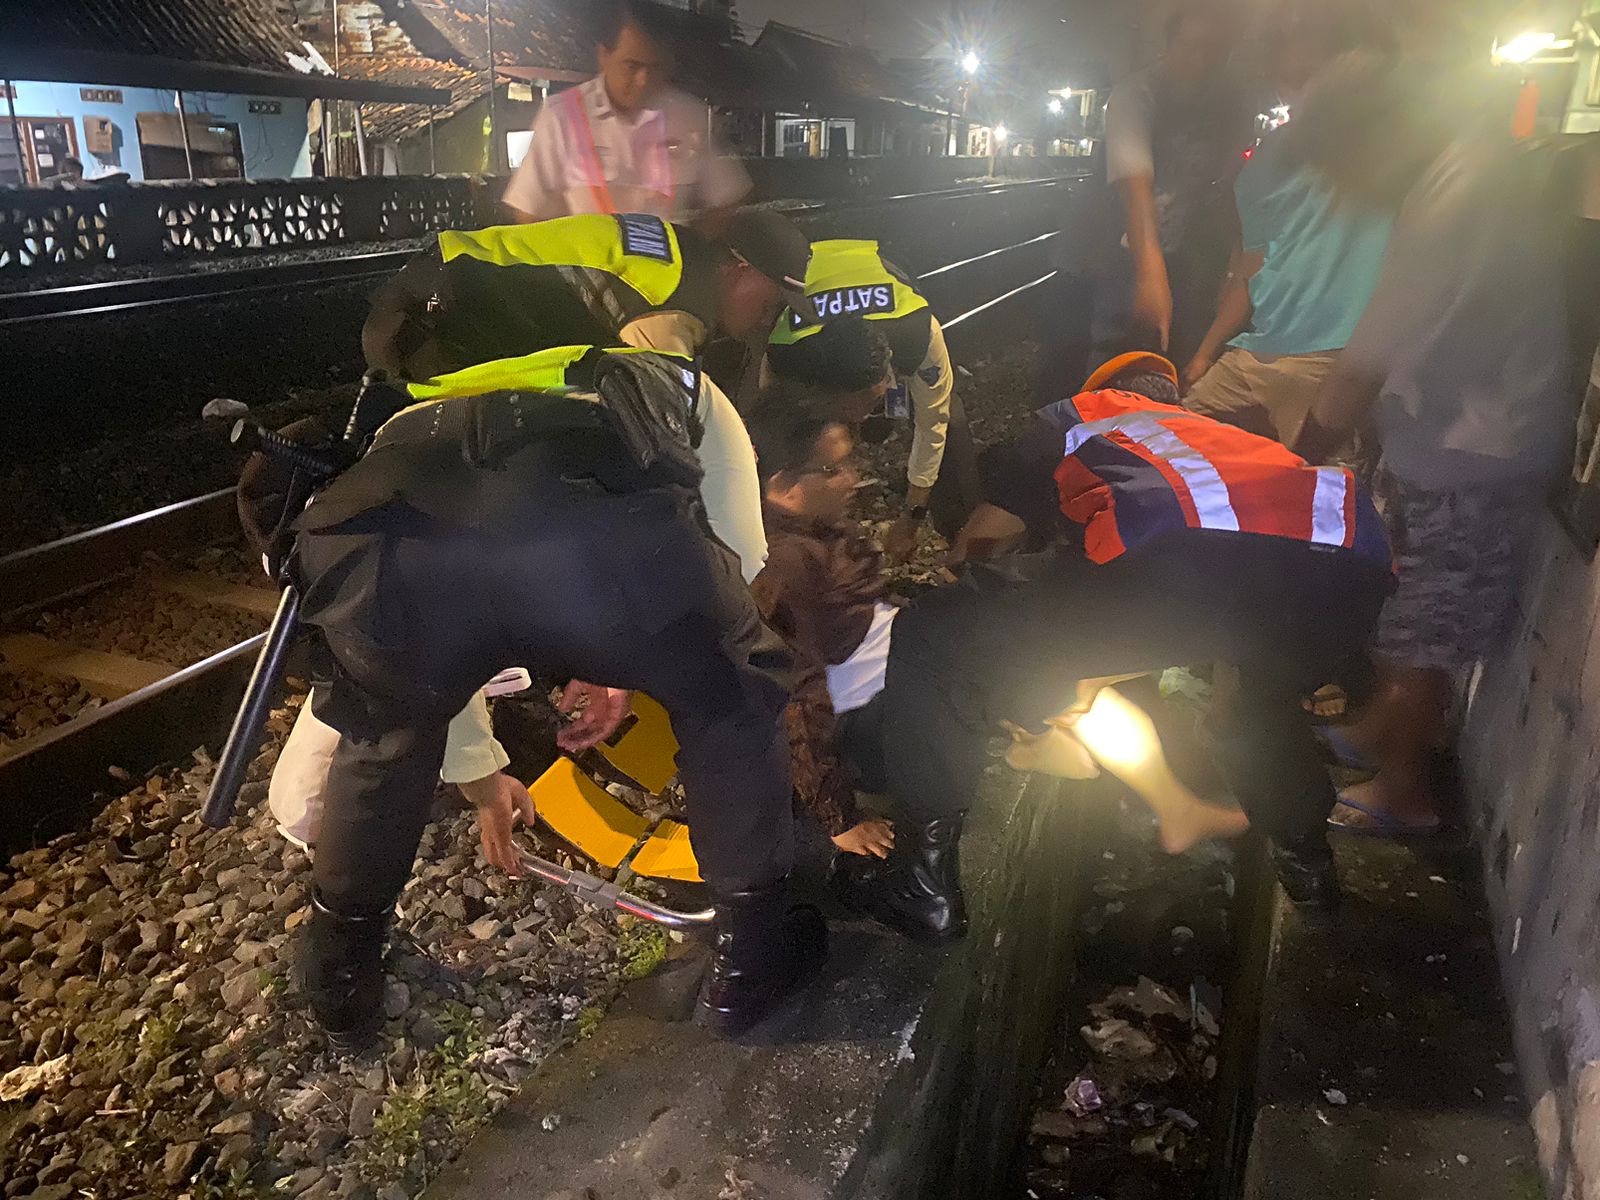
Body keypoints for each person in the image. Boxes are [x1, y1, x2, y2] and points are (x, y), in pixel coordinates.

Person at [288, 346, 825, 1049]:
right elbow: (733, 567)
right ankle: (748, 964)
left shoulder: (416, 395)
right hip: (586, 533)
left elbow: (442, 662)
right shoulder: (673, 376)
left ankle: (339, 976)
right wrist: (626, 658)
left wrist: (479, 768)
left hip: (389, 536)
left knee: (384, 732)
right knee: (731, 693)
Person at [273, 209, 809, 851]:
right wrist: (621, 657)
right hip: (450, 333)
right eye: (774, 299)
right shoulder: (674, 303)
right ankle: (312, 809)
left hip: (436, 324)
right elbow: (654, 474)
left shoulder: (663, 255)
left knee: (439, 589)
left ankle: (324, 822)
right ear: (739, 268)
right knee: (459, 584)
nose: (769, 318)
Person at [832, 352, 1394, 941]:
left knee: (936, 634)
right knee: (1250, 714)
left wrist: (991, 642)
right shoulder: (1213, 437)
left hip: (1193, 561)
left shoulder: (1079, 416)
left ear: (1105, 388)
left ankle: (921, 885)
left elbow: (984, 543)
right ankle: (1309, 868)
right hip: (1348, 570)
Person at [746, 391, 1249, 881]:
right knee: (1028, 664)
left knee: (1041, 658)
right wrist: (839, 819)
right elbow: (795, 694)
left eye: (850, 462)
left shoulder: (811, 529)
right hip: (873, 720)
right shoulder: (784, 562)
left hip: (891, 664)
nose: (855, 479)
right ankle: (1065, 750)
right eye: (833, 470)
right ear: (781, 484)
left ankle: (1163, 801)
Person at [1285, 53, 1575, 833]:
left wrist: (1296, 462)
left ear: (1375, 137)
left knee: (1421, 635)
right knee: (1403, 614)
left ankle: (1405, 789)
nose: (1342, 189)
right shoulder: (1456, 174)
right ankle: (1382, 733)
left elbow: (1364, 363)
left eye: (1339, 167)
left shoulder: (1456, 193)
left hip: (1474, 457)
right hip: (1444, 442)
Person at [1181, 11, 1392, 452]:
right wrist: (1205, 354)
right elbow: (1250, 271)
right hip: (1259, 352)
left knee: (1326, 493)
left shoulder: (1390, 155)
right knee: (1177, 442)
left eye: (1311, 75)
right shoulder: (1264, 163)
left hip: (1338, 361)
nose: (1297, 90)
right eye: (1289, 78)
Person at [767, 262, 984, 555]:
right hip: (815, 332)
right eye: (848, 407)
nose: (861, 415)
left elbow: (933, 423)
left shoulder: (919, 336)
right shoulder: (786, 355)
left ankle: (963, 538)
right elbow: (773, 438)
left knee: (952, 425)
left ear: (890, 371)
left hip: (886, 295)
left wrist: (913, 515)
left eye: (870, 402)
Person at [502, 0, 750, 224]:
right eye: (632, 65)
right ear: (604, 56)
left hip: (669, 268)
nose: (644, 80)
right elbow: (529, 213)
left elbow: (727, 198)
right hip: (593, 269)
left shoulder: (690, 116)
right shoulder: (561, 117)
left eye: (656, 67)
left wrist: (697, 249)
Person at [1102, 0, 1256, 361]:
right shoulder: (1135, 94)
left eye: (1213, 51)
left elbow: (1233, 189)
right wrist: (1150, 276)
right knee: (1116, 362)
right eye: (1191, 47)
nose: (1201, 60)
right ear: (1170, 44)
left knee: (1178, 364)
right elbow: (1135, 186)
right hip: (1128, 253)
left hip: (1196, 256)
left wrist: (1232, 270)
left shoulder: (1232, 102)